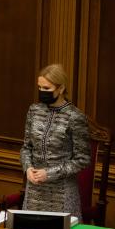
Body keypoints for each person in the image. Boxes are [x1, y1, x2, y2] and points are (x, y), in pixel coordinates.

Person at [20, 63, 91, 219]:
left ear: (61, 88)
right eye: (40, 88)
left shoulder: (75, 117)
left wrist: (50, 173)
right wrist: (28, 168)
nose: (42, 92)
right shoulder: (34, 110)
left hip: (62, 194)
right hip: (34, 192)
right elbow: (26, 148)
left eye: (47, 88)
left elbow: (82, 160)